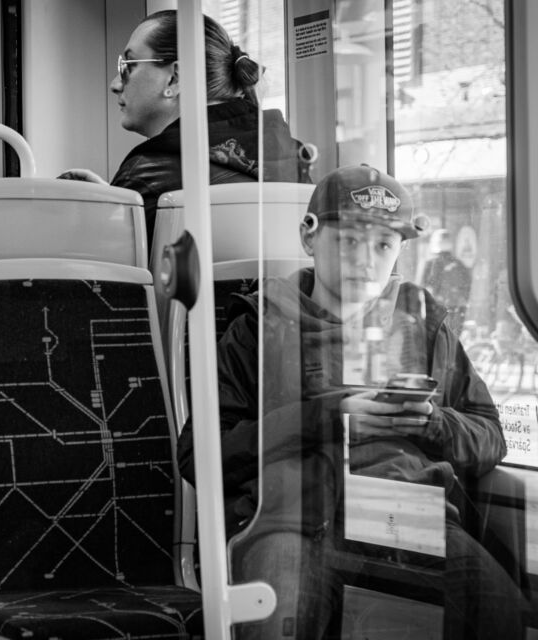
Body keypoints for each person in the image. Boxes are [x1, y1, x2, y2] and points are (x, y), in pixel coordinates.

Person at [177, 165, 527, 639]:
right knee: (279, 619)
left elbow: (490, 436)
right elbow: (200, 455)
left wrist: (430, 421)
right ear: (308, 236)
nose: (366, 260)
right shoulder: (260, 327)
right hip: (291, 518)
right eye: (349, 241)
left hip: (400, 511)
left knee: (499, 606)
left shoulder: (423, 325)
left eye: (383, 245)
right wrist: (330, 417)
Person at [61, 10, 312, 247]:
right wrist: (122, 201)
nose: (115, 84)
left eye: (129, 65)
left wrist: (116, 208)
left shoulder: (146, 177)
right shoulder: (294, 166)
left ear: (175, 78)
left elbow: (112, 272)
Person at [421, 229, 472, 334]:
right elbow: (467, 287)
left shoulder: (431, 264)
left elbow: (422, 287)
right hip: (456, 310)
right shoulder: (459, 264)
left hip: (437, 310)